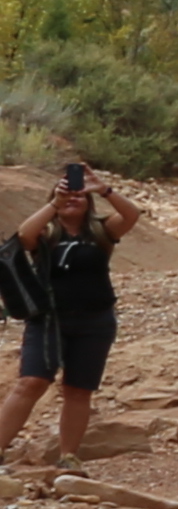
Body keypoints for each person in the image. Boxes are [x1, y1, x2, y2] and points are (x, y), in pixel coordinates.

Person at [0, 159, 140, 470]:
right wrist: (55, 203)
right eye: (67, 195)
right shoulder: (46, 235)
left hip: (95, 320)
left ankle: (69, 457)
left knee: (78, 390)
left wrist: (103, 188)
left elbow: (132, 215)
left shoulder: (101, 232)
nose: (73, 198)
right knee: (31, 382)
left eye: (79, 196)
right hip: (49, 320)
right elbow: (23, 237)